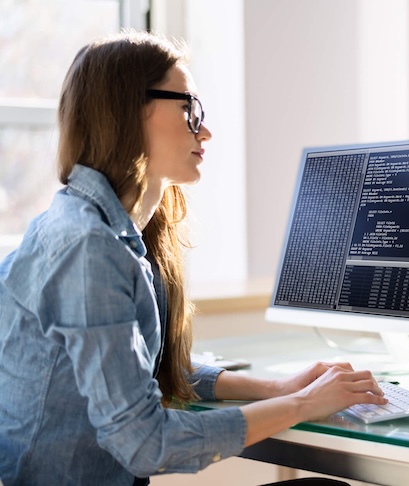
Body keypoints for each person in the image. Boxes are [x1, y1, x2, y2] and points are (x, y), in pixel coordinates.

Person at [0, 30, 387, 486]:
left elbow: (134, 364)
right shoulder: (88, 247)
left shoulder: (91, 226)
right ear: (129, 111)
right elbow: (145, 444)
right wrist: (301, 406)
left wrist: (276, 389)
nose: (205, 129)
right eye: (189, 109)